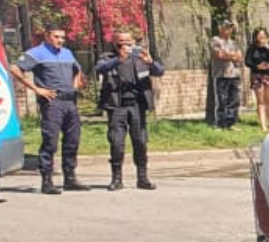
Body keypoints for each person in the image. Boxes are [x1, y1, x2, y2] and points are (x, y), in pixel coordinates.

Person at [10, 25, 88, 194]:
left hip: (70, 102)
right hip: (52, 102)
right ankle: (47, 180)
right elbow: (15, 69)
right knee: (50, 141)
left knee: (72, 140)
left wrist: (75, 85)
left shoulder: (67, 53)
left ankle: (70, 178)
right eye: (56, 36)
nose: (60, 40)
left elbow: (77, 70)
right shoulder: (36, 53)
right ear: (47, 36)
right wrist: (37, 89)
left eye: (62, 37)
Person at [93, 30, 165, 190]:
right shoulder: (108, 57)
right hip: (117, 106)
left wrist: (150, 63)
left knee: (140, 142)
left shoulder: (140, 56)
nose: (125, 46)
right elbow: (100, 68)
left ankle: (142, 178)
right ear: (114, 43)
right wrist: (119, 59)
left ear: (133, 42)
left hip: (137, 106)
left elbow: (159, 71)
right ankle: (117, 179)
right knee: (117, 143)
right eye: (121, 43)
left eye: (128, 42)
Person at [245, 29, 269, 134]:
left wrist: (267, 48)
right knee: (261, 102)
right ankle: (263, 125)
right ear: (255, 37)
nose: (261, 37)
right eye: (259, 35)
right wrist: (257, 66)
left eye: (263, 35)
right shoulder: (252, 48)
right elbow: (247, 61)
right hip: (257, 75)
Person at [210, 22, 243, 129]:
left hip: (234, 74)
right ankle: (220, 123)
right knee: (221, 100)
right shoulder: (215, 40)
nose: (228, 30)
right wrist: (232, 56)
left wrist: (229, 56)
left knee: (233, 100)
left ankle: (231, 123)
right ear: (220, 28)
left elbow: (240, 56)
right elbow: (219, 54)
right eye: (226, 28)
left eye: (230, 28)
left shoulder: (234, 43)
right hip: (221, 74)